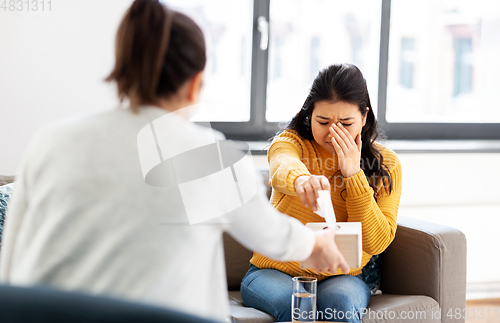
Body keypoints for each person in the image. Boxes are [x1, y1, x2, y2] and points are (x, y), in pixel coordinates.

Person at [0, 1, 349, 322]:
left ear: (122, 68)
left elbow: (12, 264)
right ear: (195, 83)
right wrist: (315, 244)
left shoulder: (50, 141)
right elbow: (272, 235)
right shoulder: (212, 156)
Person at [240, 63, 403, 323]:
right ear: (309, 116)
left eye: (346, 123)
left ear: (363, 117)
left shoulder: (386, 164)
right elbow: (282, 165)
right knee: (296, 302)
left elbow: (376, 242)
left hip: (342, 276)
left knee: (341, 303)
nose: (333, 132)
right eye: (323, 121)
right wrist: (302, 179)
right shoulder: (292, 143)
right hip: (273, 271)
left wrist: (353, 174)